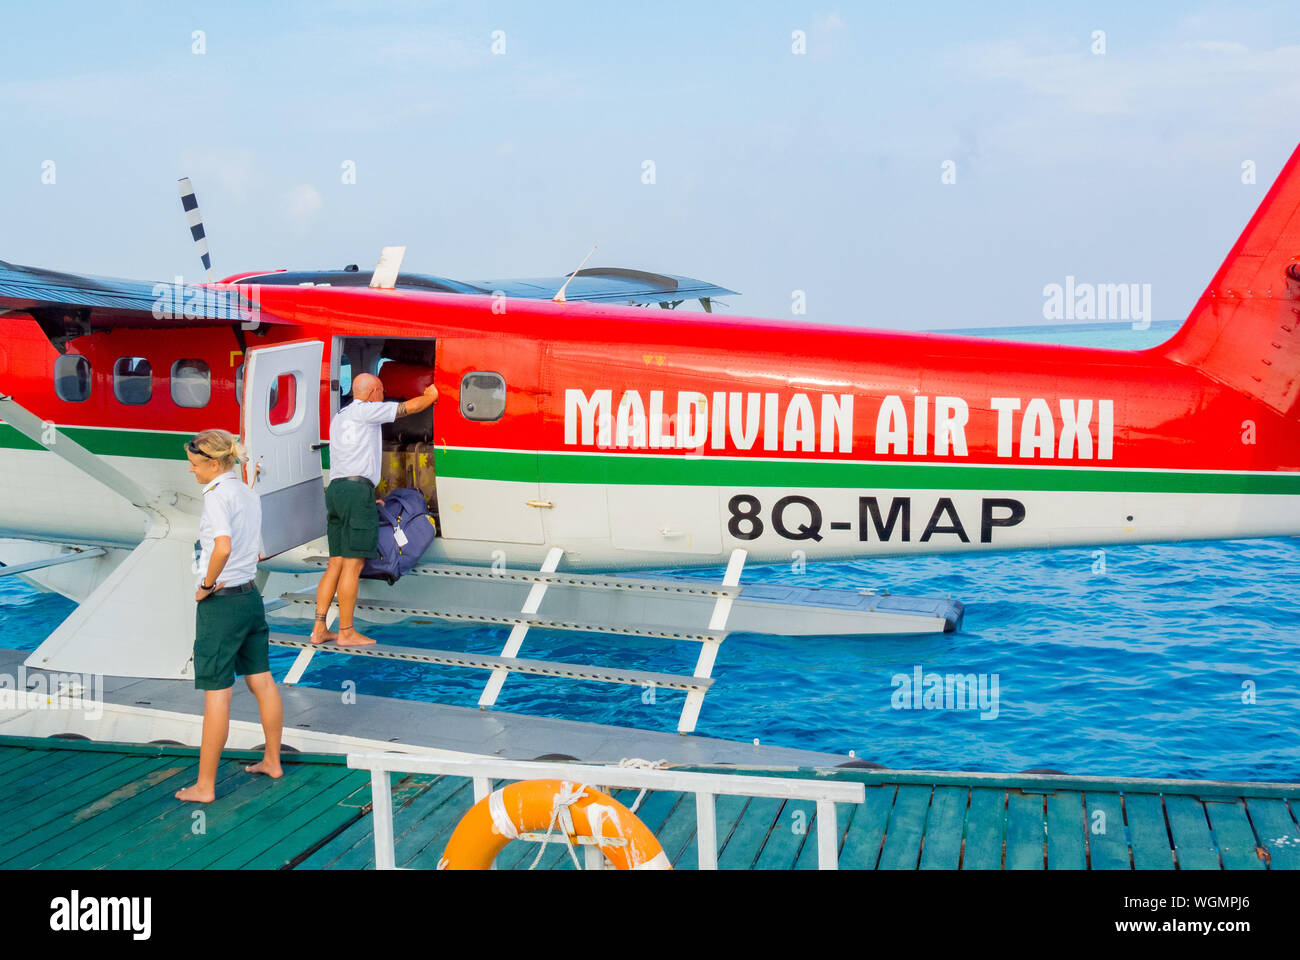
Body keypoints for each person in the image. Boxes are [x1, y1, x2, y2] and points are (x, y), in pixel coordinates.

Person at [176, 429, 283, 803]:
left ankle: (205, 786)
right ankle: (272, 760)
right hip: (250, 597)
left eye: (194, 465)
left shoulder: (218, 497)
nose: (191, 472)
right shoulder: (246, 492)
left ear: (214, 462)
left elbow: (222, 546)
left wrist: (207, 583)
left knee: (217, 696)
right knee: (262, 681)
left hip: (221, 604)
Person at [312, 372, 438, 646]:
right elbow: (410, 408)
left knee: (335, 563)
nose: (383, 395)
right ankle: (346, 631)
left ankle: (319, 629)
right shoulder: (367, 411)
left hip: (337, 490)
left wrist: (368, 497)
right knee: (353, 565)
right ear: (373, 392)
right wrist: (431, 395)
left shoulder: (340, 417)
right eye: (381, 391)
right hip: (357, 492)